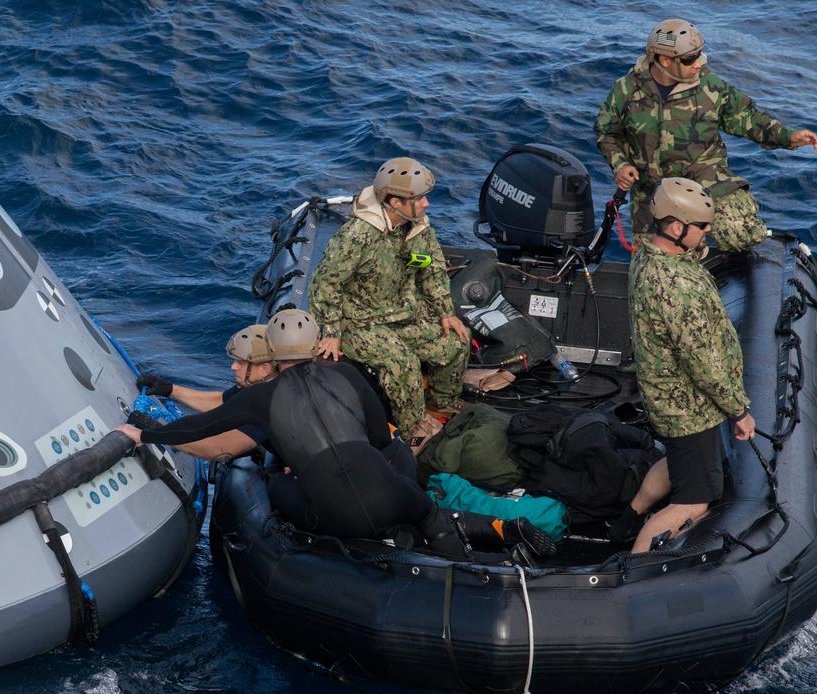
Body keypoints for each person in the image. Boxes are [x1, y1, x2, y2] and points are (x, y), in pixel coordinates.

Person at [116, 308, 554, 557]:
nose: (234, 368)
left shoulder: (261, 400)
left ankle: (382, 540)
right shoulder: (344, 373)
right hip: (392, 485)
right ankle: (495, 541)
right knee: (428, 517)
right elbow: (382, 441)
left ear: (271, 358)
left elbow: (208, 437)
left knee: (274, 484)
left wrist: (146, 435)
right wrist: (172, 389)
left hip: (335, 512)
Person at [611, 178, 755, 553]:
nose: (709, 232)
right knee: (691, 502)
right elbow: (704, 363)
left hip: (666, 399)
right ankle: (633, 571)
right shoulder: (677, 288)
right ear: (676, 228)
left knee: (679, 463)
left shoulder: (647, 254)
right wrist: (738, 411)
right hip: (689, 409)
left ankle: (627, 519)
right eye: (702, 227)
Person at [595, 18, 817, 252]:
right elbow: (606, 131)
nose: (699, 63)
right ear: (664, 60)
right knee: (656, 269)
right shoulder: (626, 90)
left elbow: (748, 118)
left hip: (705, 180)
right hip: (653, 193)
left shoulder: (710, 86)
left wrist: (787, 137)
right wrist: (620, 164)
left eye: (700, 54)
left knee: (738, 231)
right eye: (690, 58)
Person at [308, 157, 468, 437]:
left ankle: (441, 405)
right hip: (359, 323)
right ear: (395, 202)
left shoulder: (417, 228)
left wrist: (446, 312)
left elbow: (433, 269)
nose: (426, 204)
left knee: (456, 340)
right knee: (402, 364)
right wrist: (331, 331)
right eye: (419, 199)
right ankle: (412, 431)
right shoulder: (359, 236)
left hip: (401, 313)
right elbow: (325, 282)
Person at [134, 324, 277, 461]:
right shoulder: (262, 384)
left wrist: (151, 432)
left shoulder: (270, 403)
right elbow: (221, 402)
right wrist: (170, 389)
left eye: (241, 363)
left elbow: (219, 449)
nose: (233, 366)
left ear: (264, 369)